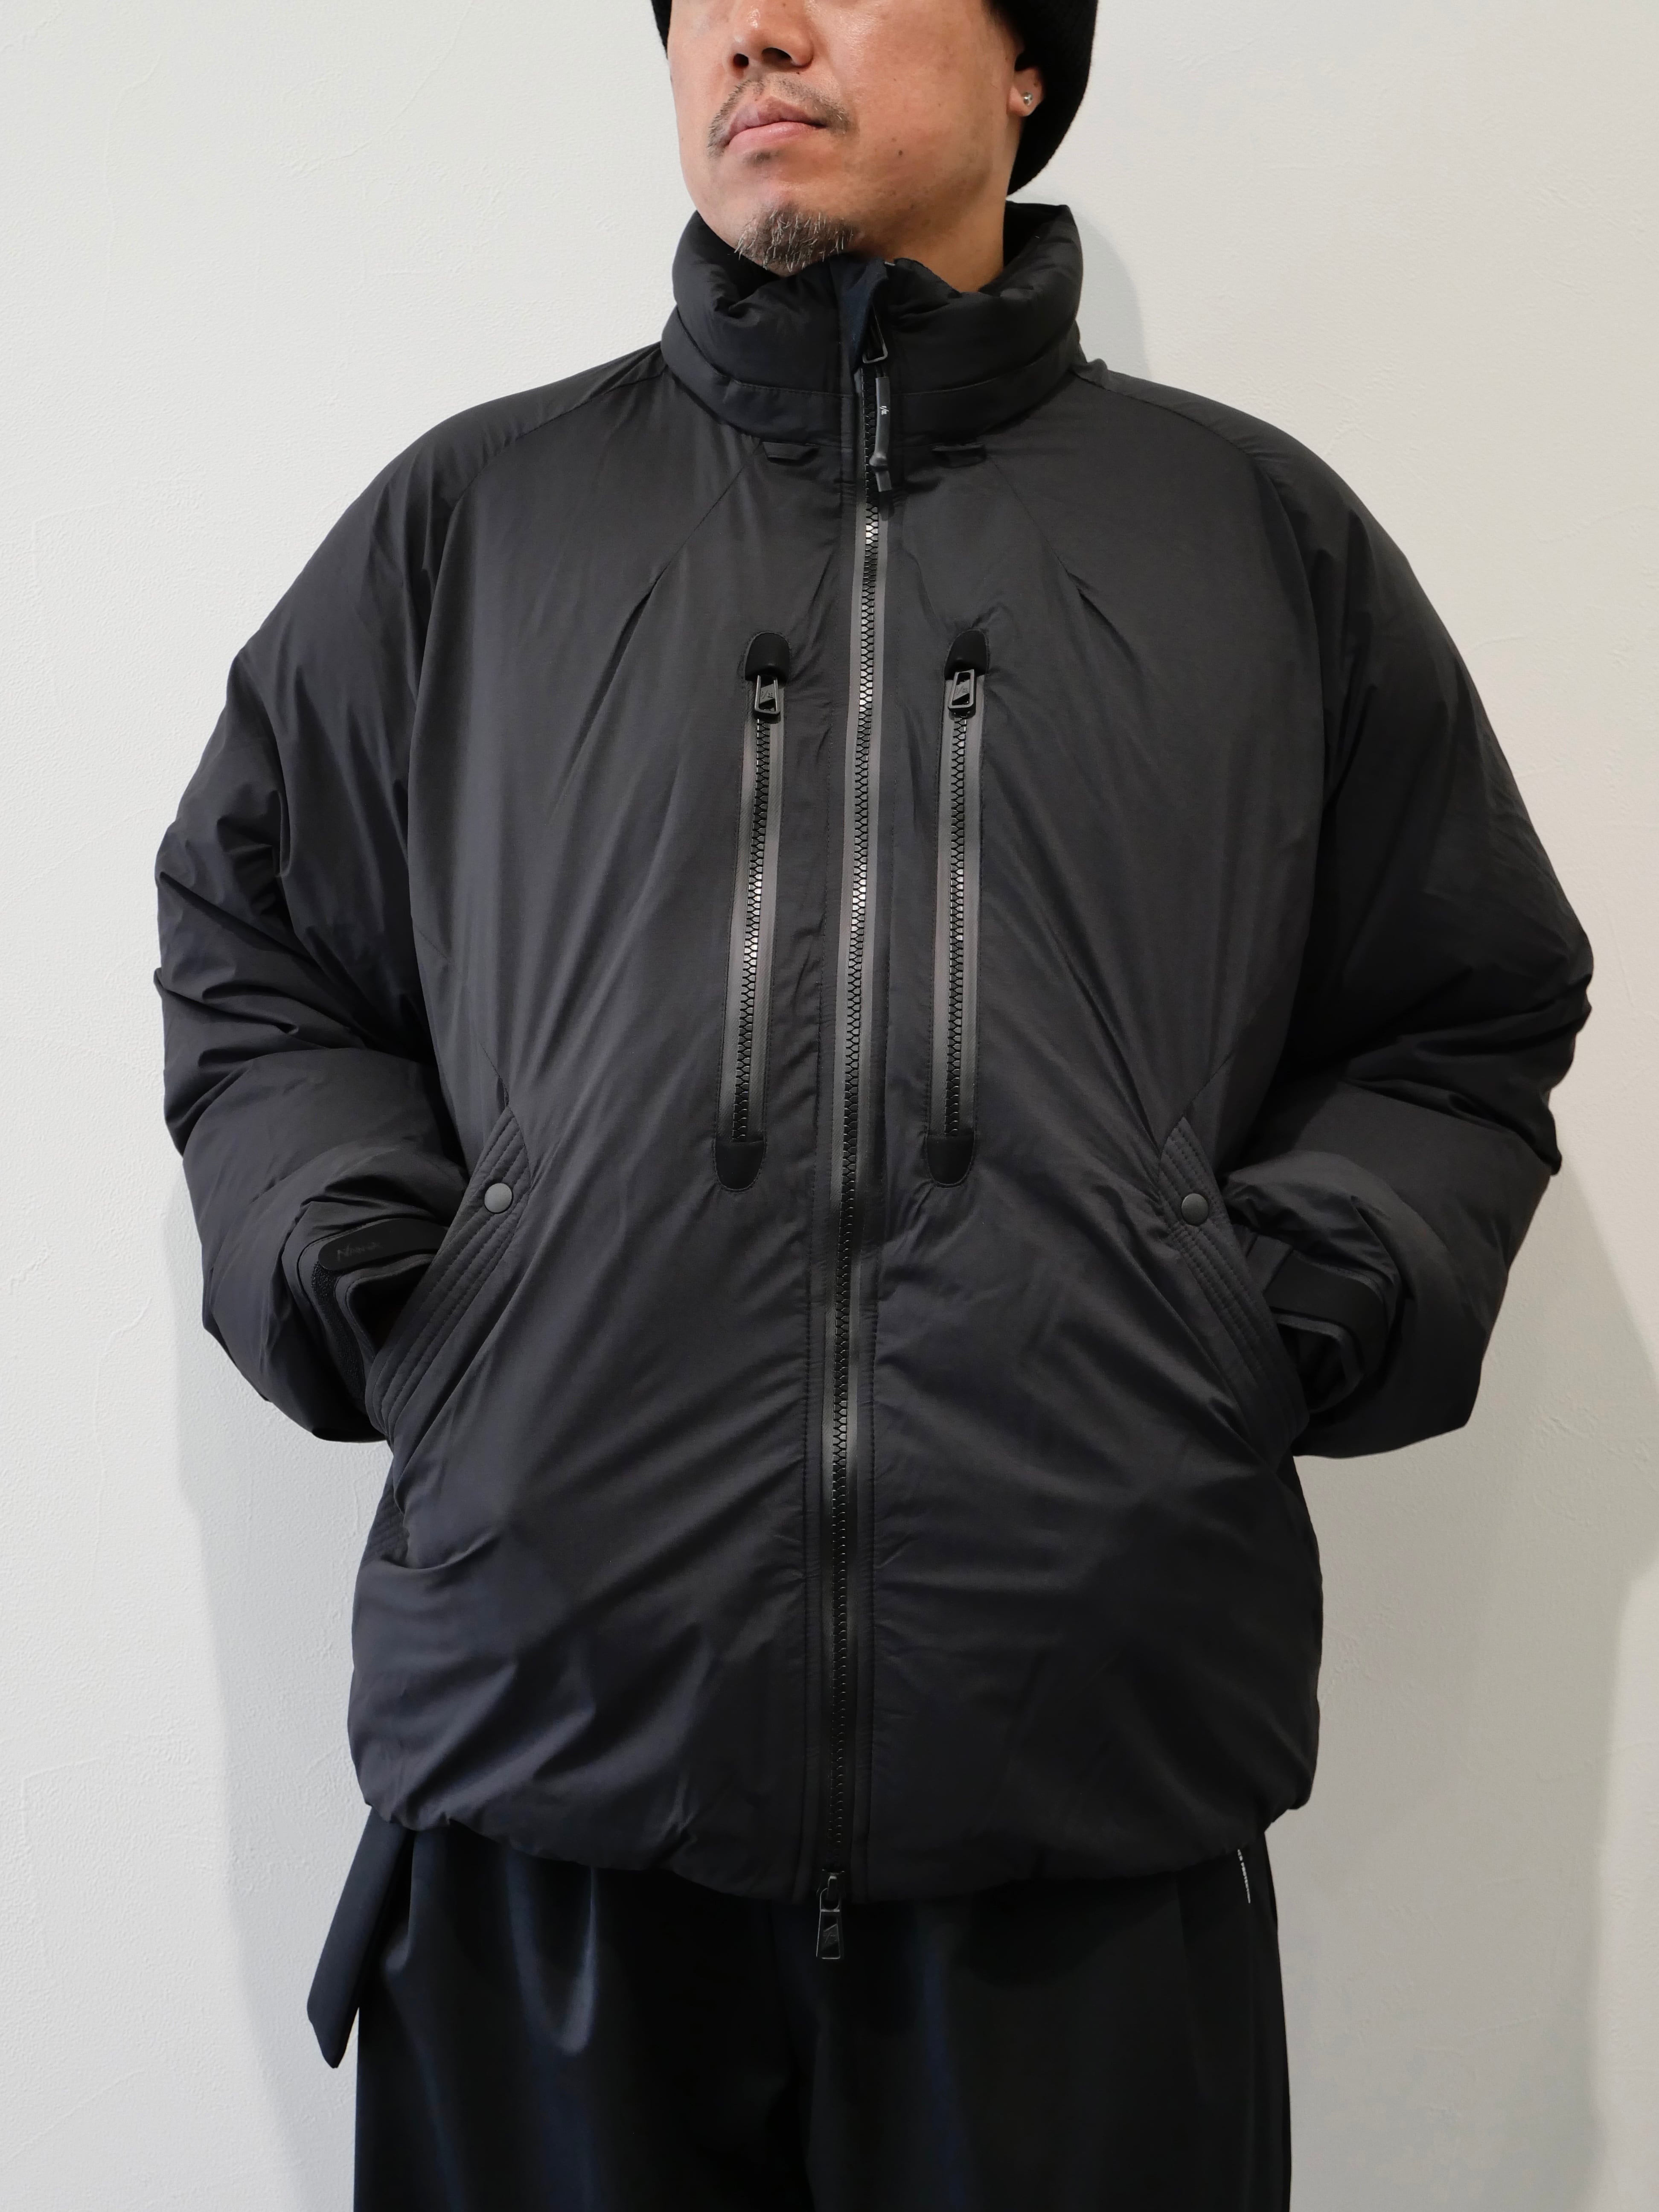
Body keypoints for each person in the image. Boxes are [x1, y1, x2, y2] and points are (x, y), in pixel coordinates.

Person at [155, 1, 1592, 2204]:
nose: (749, 31)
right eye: (695, 1)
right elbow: (254, 945)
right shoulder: (476, 531)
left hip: (1081, 1837)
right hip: (551, 1803)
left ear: (1029, 65)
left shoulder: (1256, 545)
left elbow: (1460, 1012)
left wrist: (1266, 1312)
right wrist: (389, 1282)